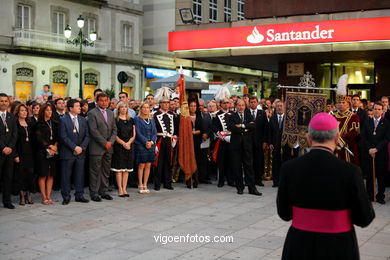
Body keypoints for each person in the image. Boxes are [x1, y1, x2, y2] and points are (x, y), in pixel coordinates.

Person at [277, 112, 375, 260]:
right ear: (336, 139)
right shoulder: (351, 171)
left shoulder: (289, 168)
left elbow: (284, 213)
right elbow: (365, 217)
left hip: (300, 244)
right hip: (339, 246)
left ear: (309, 139)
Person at [227, 99, 261, 196]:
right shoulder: (231, 116)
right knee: (237, 167)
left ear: (245, 106)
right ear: (236, 106)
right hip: (236, 146)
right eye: (239, 105)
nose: (241, 107)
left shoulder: (248, 115)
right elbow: (231, 128)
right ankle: (240, 187)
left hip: (247, 145)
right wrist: (245, 128)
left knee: (249, 167)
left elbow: (253, 126)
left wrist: (241, 126)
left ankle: (252, 188)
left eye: (242, 105)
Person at [58, 99, 90, 205]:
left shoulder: (82, 119)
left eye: (79, 106)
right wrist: (74, 147)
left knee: (80, 175)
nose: (80, 108)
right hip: (68, 152)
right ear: (71, 108)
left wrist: (81, 147)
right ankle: (66, 197)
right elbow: (63, 136)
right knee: (66, 176)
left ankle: (79, 195)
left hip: (81, 152)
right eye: (77, 106)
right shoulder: (63, 119)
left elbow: (87, 135)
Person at [88, 93, 117, 202]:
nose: (104, 102)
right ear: (97, 101)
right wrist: (104, 142)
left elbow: (114, 129)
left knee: (106, 170)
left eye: (106, 100)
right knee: (95, 171)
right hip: (97, 147)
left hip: (109, 147)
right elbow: (93, 130)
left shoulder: (110, 113)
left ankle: (103, 191)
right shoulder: (92, 113)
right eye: (102, 100)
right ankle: (94, 192)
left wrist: (110, 142)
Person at [362, 102, 389, 204]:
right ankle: (370, 196)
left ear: (382, 111)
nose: (377, 111)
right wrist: (370, 149)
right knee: (369, 176)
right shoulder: (366, 122)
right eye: (375, 109)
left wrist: (376, 149)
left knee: (381, 176)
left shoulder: (386, 123)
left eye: (379, 109)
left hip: (381, 153)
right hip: (369, 153)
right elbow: (364, 138)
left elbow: (386, 139)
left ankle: (380, 196)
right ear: (372, 110)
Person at [153, 87, 177, 190]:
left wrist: (174, 138)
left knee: (169, 162)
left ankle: (168, 183)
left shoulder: (172, 115)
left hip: (169, 141)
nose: (166, 104)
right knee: (159, 163)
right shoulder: (155, 115)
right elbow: (153, 130)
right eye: (164, 103)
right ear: (160, 103)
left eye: (168, 103)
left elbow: (175, 130)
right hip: (159, 140)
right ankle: (157, 184)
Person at [35, 104, 58, 205]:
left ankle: (49, 196)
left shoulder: (54, 123)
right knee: (43, 174)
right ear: (43, 111)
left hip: (53, 151)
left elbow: (57, 136)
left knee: (51, 174)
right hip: (42, 151)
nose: (49, 112)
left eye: (51, 110)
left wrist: (55, 146)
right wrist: (49, 146)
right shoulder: (39, 124)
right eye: (47, 110)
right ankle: (43, 197)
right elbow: (39, 139)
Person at [111, 101, 136, 197]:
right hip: (119, 146)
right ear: (118, 109)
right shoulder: (115, 120)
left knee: (126, 169)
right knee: (119, 169)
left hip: (129, 146)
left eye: (126, 107)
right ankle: (120, 189)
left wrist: (129, 143)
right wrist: (123, 143)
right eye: (122, 107)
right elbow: (115, 135)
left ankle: (125, 189)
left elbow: (134, 134)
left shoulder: (131, 120)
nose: (124, 108)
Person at [13, 104, 34, 205]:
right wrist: (15, 155)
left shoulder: (30, 124)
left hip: (30, 153)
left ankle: (28, 195)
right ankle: (21, 195)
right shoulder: (15, 124)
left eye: (25, 111)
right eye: (22, 111)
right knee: (20, 175)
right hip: (20, 153)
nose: (24, 112)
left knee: (30, 174)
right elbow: (13, 141)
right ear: (18, 112)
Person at [269, 101, 294, 187]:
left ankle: (285, 181)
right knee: (276, 163)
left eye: (281, 106)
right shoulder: (272, 118)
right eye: (278, 106)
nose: (279, 108)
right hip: (275, 144)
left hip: (286, 144)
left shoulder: (288, 119)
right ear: (275, 108)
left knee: (286, 162)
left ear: (284, 107)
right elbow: (269, 132)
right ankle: (276, 181)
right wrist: (270, 143)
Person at [134, 102, 157, 194]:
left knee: (148, 165)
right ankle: (140, 184)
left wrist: (151, 142)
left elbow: (154, 132)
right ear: (140, 109)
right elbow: (138, 132)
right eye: (144, 107)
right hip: (141, 145)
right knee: (141, 165)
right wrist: (145, 142)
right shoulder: (137, 119)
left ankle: (145, 184)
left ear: (149, 109)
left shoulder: (151, 119)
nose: (145, 109)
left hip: (151, 145)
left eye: (147, 107)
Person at [0, 93, 18, 209]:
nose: (4, 103)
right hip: (0, 152)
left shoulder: (11, 117)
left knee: (8, 178)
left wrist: (10, 147)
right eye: (1, 101)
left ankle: (7, 201)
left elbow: (14, 134)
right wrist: (3, 148)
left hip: (9, 153)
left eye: (6, 101)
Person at [334, 94, 360, 165]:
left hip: (348, 145)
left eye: (343, 102)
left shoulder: (354, 116)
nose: (341, 104)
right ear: (336, 105)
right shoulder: (332, 116)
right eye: (339, 102)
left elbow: (354, 132)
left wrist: (340, 141)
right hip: (333, 144)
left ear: (348, 105)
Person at [248, 96, 268, 187]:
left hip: (259, 142)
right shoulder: (246, 112)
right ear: (249, 103)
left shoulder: (262, 113)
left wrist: (265, 141)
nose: (253, 103)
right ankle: (249, 180)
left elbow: (265, 128)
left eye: (254, 102)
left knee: (259, 161)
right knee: (249, 161)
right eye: (251, 102)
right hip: (248, 142)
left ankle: (258, 180)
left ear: (257, 103)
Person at [187, 100, 203, 188]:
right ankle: (188, 180)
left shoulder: (199, 117)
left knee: (196, 160)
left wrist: (195, 132)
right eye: (191, 106)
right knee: (188, 160)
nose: (193, 107)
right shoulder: (185, 117)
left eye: (194, 106)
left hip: (196, 141)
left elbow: (202, 129)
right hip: (188, 141)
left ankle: (196, 179)